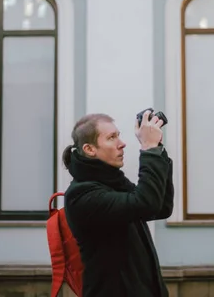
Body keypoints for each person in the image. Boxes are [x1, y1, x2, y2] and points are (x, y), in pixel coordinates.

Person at [61, 111, 174, 297]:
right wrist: (149, 148)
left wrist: (157, 148)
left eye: (118, 135)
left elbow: (160, 206)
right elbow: (146, 203)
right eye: (111, 138)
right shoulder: (82, 195)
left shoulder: (112, 182)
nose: (122, 143)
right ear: (90, 149)